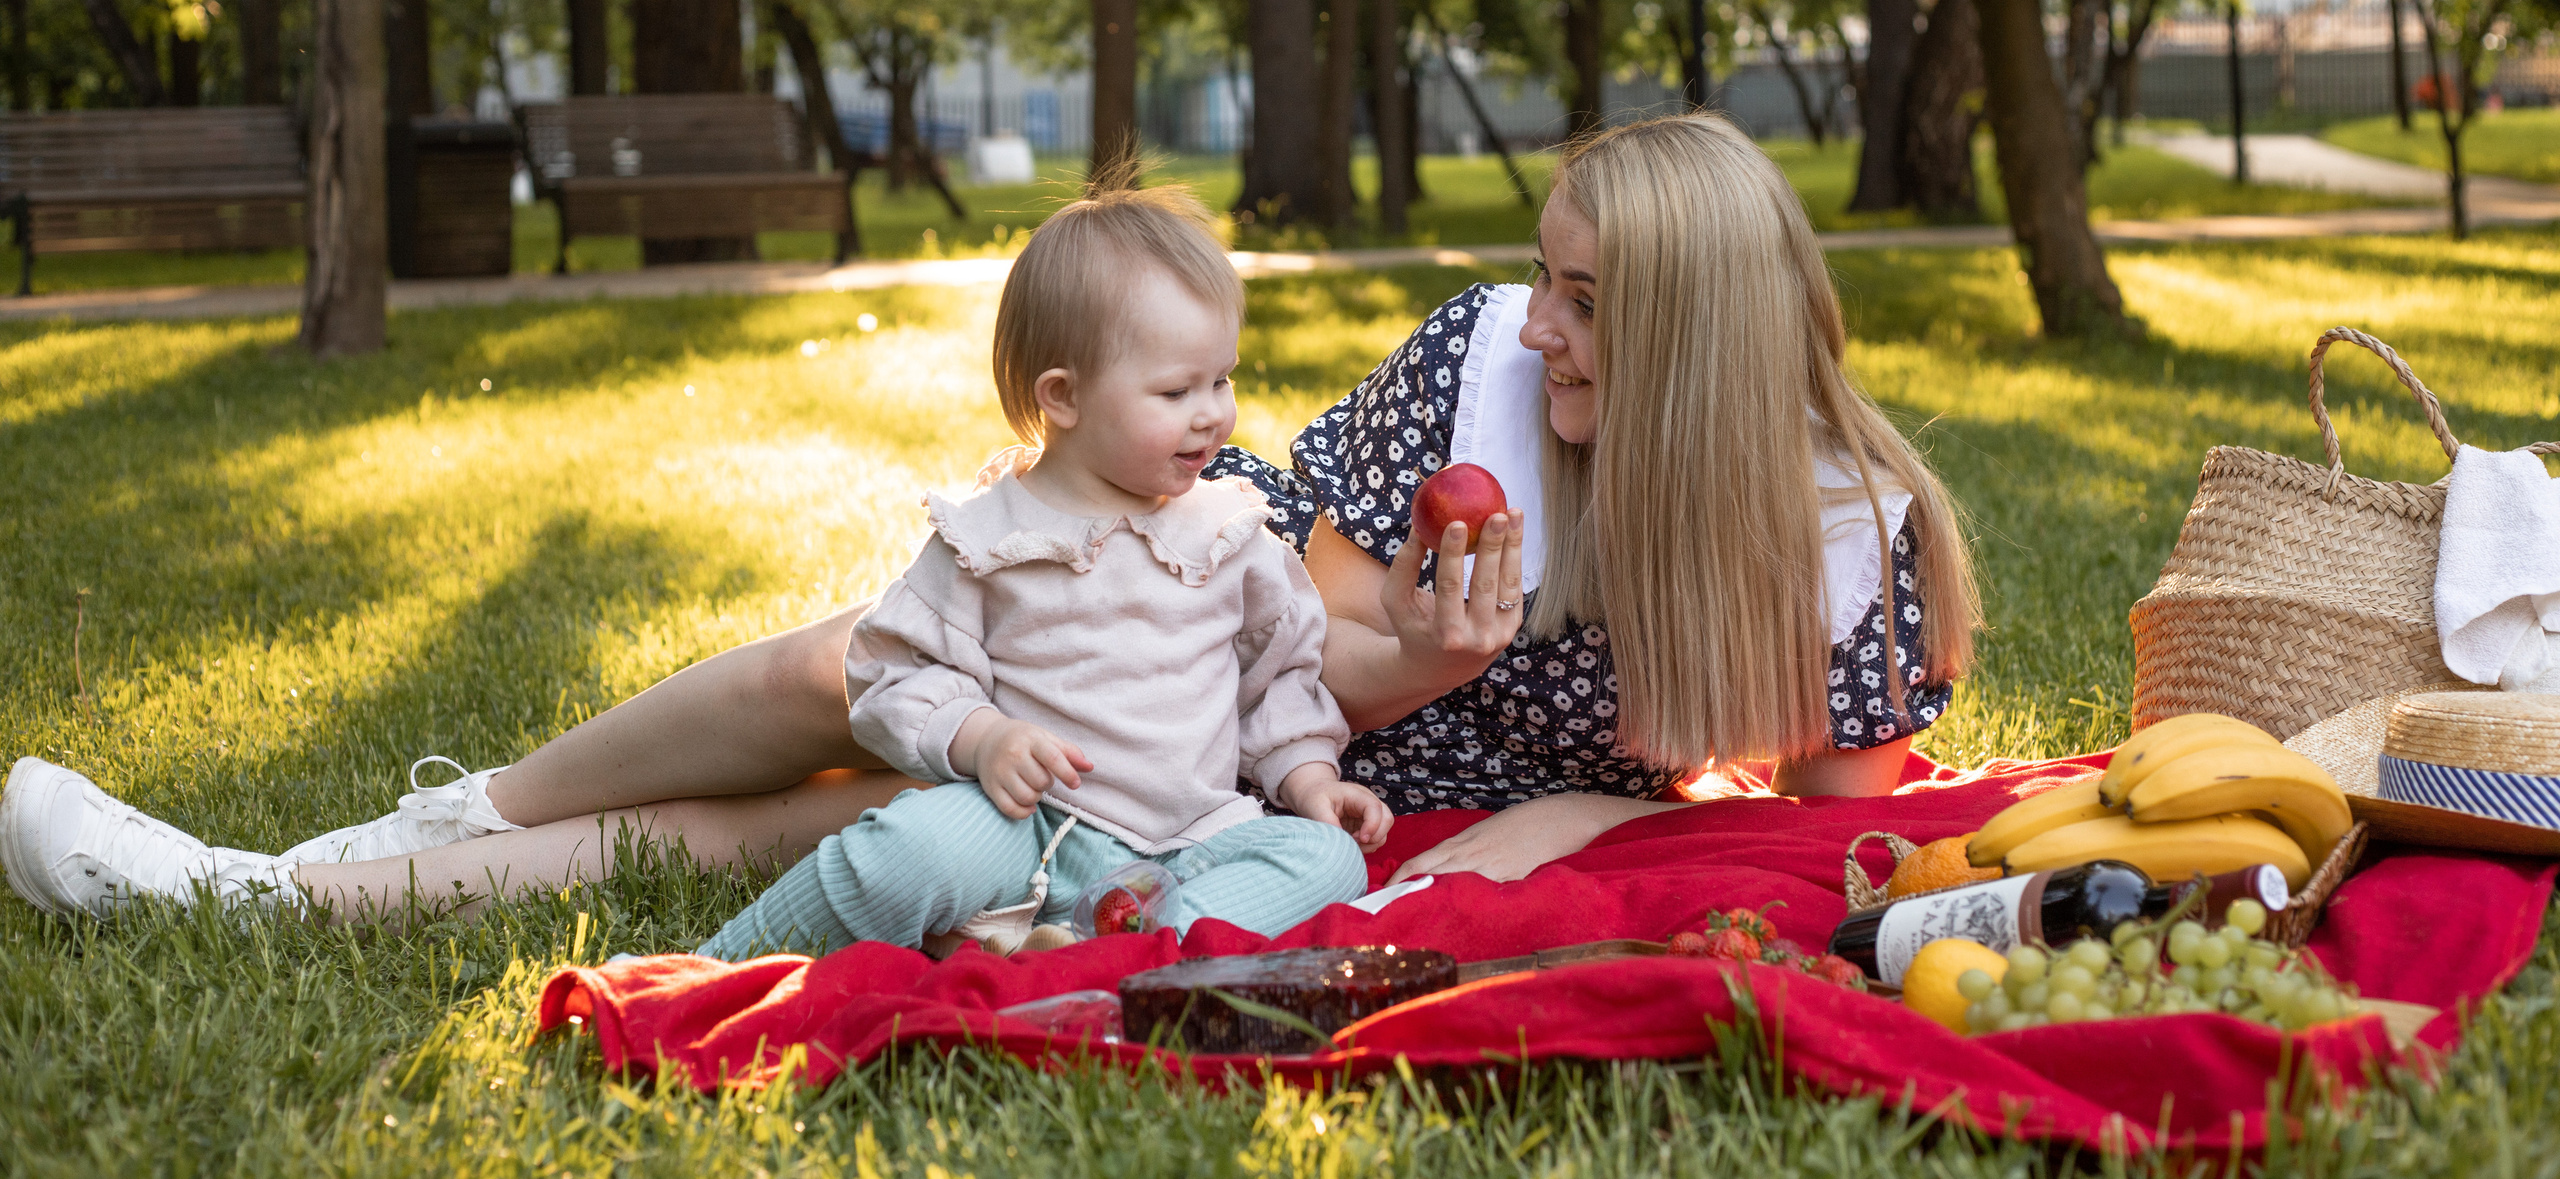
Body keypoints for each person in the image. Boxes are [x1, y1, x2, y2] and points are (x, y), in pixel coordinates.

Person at [2, 112, 1972, 923]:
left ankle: (264, 890)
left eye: (1586, 303)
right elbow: (1289, 640)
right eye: (1543, 277)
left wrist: (1606, 808)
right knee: (843, 674)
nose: (1532, 320)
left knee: (836, 816)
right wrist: (1423, 654)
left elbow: (1819, 813)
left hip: (1307, 804)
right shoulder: (1473, 370)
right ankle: (441, 819)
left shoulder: (1840, 537)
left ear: (1702, 340)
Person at [3, 190, 1388, 949]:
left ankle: (1139, 956)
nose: (1221, 417)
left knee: (1301, 852)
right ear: (1066, 395)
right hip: (1019, 814)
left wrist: (1312, 776)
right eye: (1183, 388)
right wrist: (979, 729)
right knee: (894, 813)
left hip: (1181, 832)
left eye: (1228, 381)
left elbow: (1279, 686)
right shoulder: (989, 537)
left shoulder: (1233, 538)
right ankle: (390, 864)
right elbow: (889, 677)